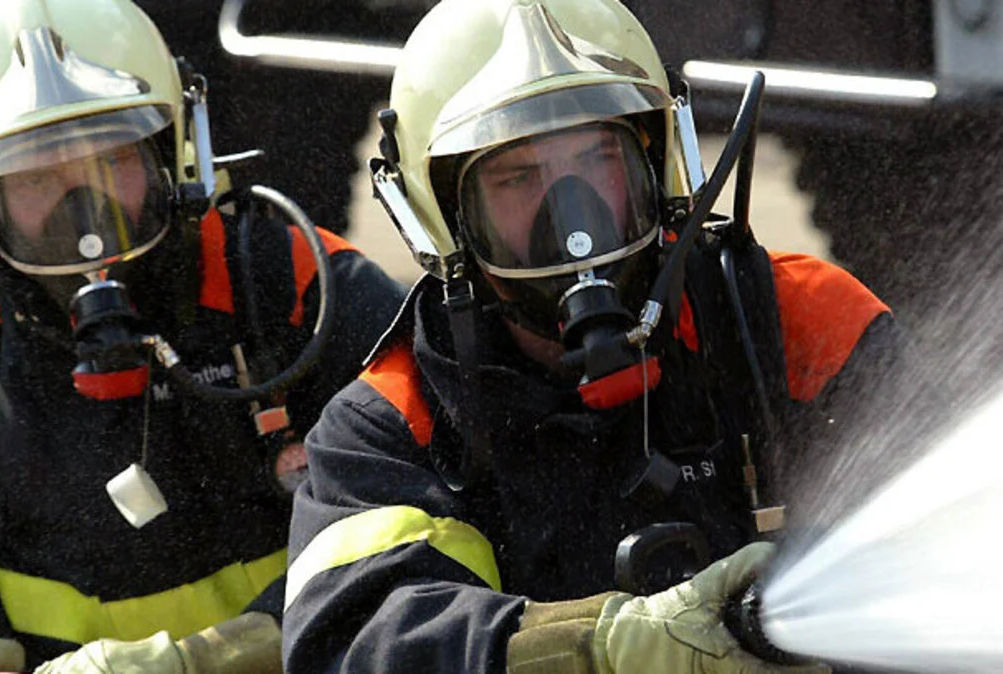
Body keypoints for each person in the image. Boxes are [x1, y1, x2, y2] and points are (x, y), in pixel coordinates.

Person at [281, 0, 906, 671]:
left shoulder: (797, 324)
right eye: (518, 177)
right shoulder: (391, 431)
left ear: (659, 165)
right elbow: (350, 640)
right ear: (441, 217)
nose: (572, 214)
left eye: (596, 158)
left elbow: (948, 546)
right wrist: (601, 648)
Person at [0, 0, 405, 671]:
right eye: (35, 176)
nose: (85, 216)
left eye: (111, 159)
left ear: (171, 151)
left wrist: (226, 656)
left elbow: (445, 535)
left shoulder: (302, 299)